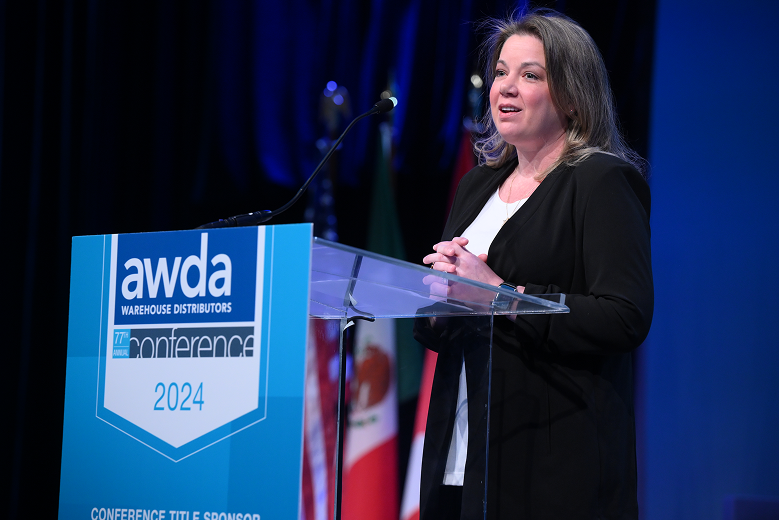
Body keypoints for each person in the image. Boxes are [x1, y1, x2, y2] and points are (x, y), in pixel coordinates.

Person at [415, 8, 654, 520]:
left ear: (571, 96)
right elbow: (449, 317)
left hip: (552, 464)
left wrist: (500, 295)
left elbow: (625, 315)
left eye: (530, 75)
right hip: (463, 451)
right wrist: (439, 295)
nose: (505, 87)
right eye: (501, 71)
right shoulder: (476, 184)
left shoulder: (601, 182)